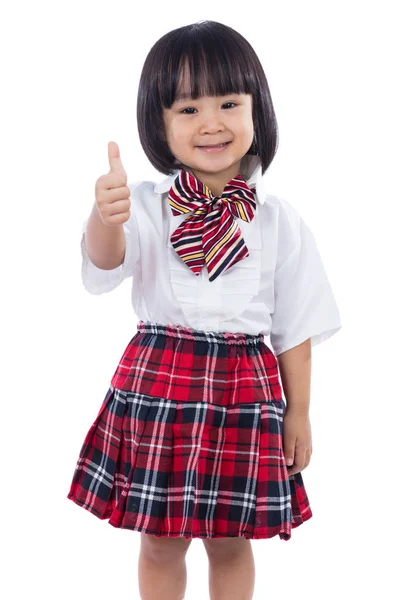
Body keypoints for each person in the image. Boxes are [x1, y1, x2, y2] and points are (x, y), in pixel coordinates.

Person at [67, 19, 342, 600]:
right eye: (188, 109)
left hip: (245, 388)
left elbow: (296, 325)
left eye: (228, 102)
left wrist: (300, 413)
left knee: (231, 540)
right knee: (160, 540)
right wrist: (105, 217)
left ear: (256, 111)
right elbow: (104, 266)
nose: (212, 122)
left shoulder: (277, 219)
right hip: (161, 382)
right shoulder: (146, 205)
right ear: (158, 124)